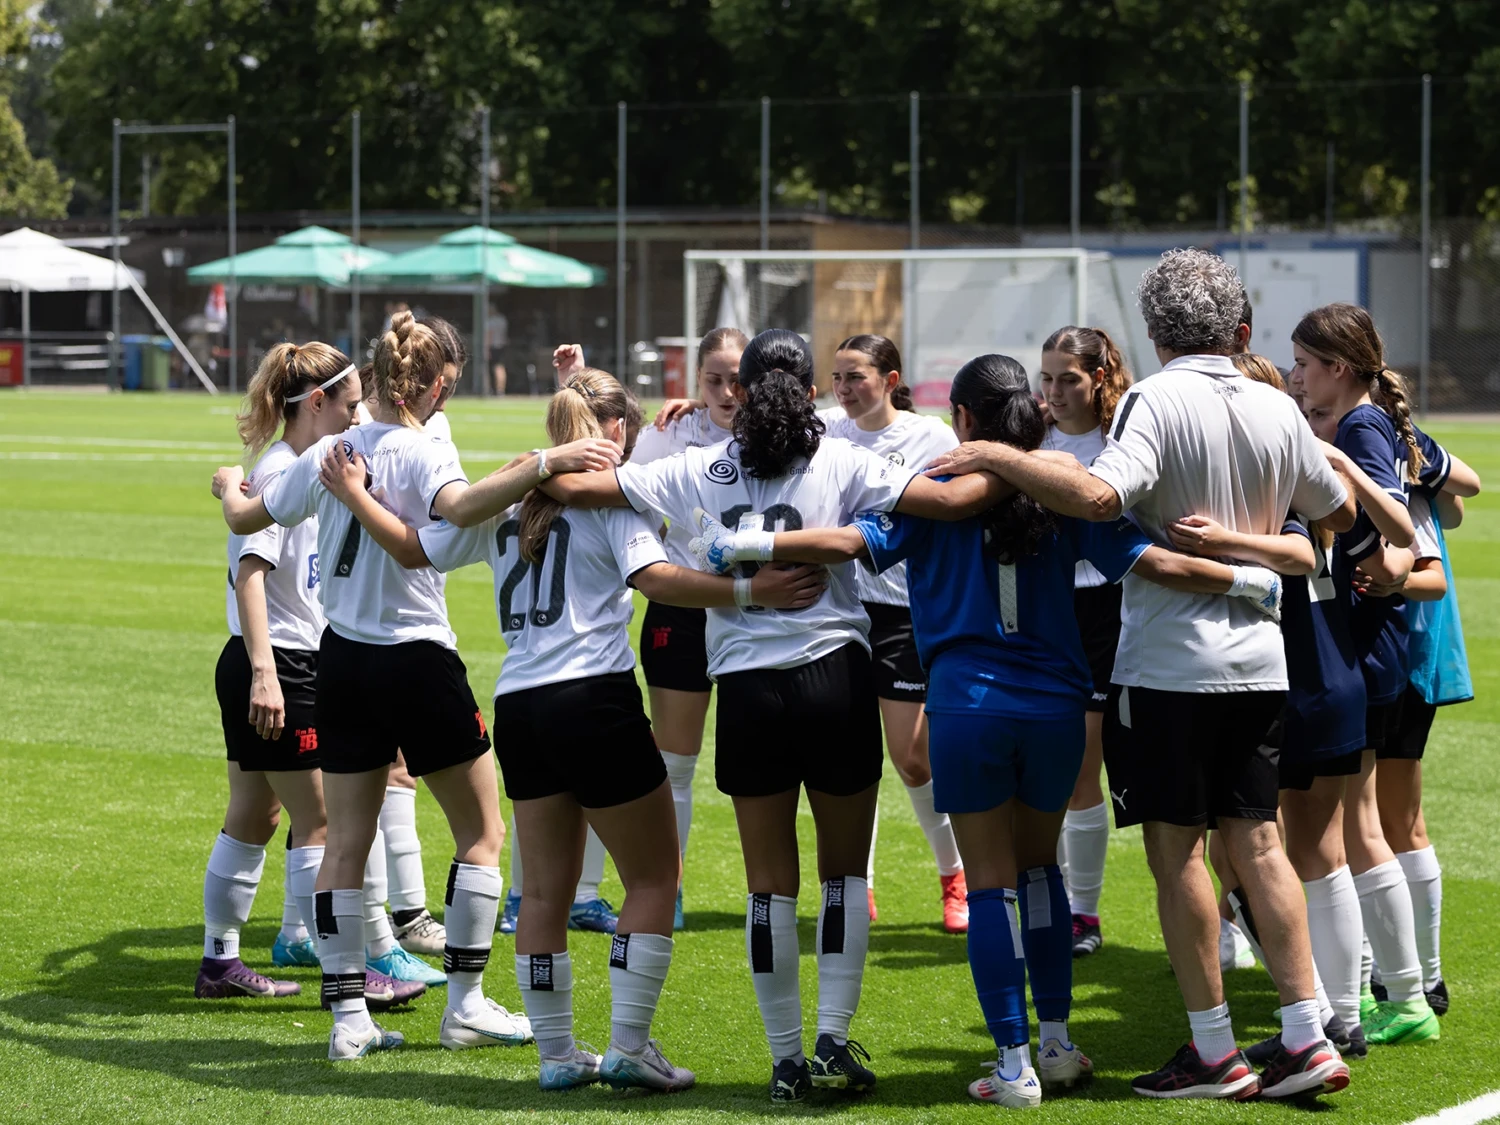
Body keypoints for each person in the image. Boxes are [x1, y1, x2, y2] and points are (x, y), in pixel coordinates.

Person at [688, 352, 1299, 1108]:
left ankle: (1014, 1065)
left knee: (989, 890)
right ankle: (1057, 1042)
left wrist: (749, 547)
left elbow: (850, 542)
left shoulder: (932, 492)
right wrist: (1252, 577)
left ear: (966, 420)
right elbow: (1152, 561)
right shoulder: (1063, 494)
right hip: (1056, 710)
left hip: (968, 708)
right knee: (1044, 874)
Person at [535, 328, 1022, 1103]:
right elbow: (953, 502)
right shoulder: (844, 457)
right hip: (835, 676)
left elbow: (581, 492)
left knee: (768, 886)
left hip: (749, 692)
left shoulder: (700, 463)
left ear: (744, 388)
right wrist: (1010, 457)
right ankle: (832, 1040)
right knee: (840, 876)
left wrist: (548, 460)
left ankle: (785, 1059)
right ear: (809, 390)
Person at [319, 365, 826, 1091]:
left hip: (521, 706)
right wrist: (750, 588)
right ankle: (627, 1044)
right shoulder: (611, 497)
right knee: (653, 875)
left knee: (546, 892)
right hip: (593, 697)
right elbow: (656, 580)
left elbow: (418, 547)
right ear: (614, 431)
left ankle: (557, 1053)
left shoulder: (505, 495)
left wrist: (357, 495)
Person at [926, 249, 1357, 1100]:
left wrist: (999, 457)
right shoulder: (1278, 402)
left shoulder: (1157, 398)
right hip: (1262, 659)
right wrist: (1249, 545)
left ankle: (1213, 1049)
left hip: (1171, 666)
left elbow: (1098, 499)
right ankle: (1308, 1034)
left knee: (1178, 856)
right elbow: (1335, 517)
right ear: (1239, 330)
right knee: (1261, 844)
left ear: (1156, 334)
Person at [211, 311, 618, 1059]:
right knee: (483, 834)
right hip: (417, 660)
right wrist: (546, 460)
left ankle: (347, 1020)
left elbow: (243, 511)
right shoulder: (425, 452)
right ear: (436, 384)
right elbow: (460, 507)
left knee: (341, 841)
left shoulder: (332, 450)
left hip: (341, 661)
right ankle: (464, 1002)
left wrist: (228, 482)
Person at [1289, 302, 1442, 1047]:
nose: (1295, 377)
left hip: (1366, 648)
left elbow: (1394, 540)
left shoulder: (1358, 427)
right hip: (1368, 646)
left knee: (1359, 827)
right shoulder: (1364, 421)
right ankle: (1396, 986)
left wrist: (1376, 571)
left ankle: (1399, 992)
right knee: (1358, 825)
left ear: (1337, 368)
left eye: (1303, 363)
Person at [199, 343, 362, 1002]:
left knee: (255, 813)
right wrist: (267, 672)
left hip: (274, 658)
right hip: (278, 662)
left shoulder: (304, 466)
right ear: (315, 403)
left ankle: (220, 961)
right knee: (320, 818)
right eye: (349, 407)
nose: (356, 419)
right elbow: (250, 575)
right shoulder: (279, 471)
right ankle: (338, 971)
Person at [821, 335, 968, 933]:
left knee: (912, 760)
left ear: (889, 378)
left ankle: (954, 873)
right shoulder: (829, 432)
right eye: (837, 378)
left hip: (907, 612)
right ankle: (857, 887)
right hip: (842, 610)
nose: (845, 388)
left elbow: (962, 501)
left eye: (856, 376)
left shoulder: (930, 435)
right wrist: (688, 410)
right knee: (850, 758)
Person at [617, 327, 749, 931]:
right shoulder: (673, 431)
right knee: (675, 762)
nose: (726, 391)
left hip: (759, 612)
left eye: (736, 379)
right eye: (713, 380)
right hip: (683, 606)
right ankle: (666, 886)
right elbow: (620, 483)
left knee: (763, 764)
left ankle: (801, 889)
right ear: (695, 382)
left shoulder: (777, 428)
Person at [1036, 326, 1132, 958]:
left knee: (1085, 765)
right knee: (1048, 766)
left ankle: (1084, 913)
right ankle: (1057, 902)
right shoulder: (1029, 436)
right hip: (1045, 604)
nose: (1054, 391)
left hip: (1110, 606)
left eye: (1067, 378)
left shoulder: (1126, 432)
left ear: (1098, 377)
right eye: (1046, 378)